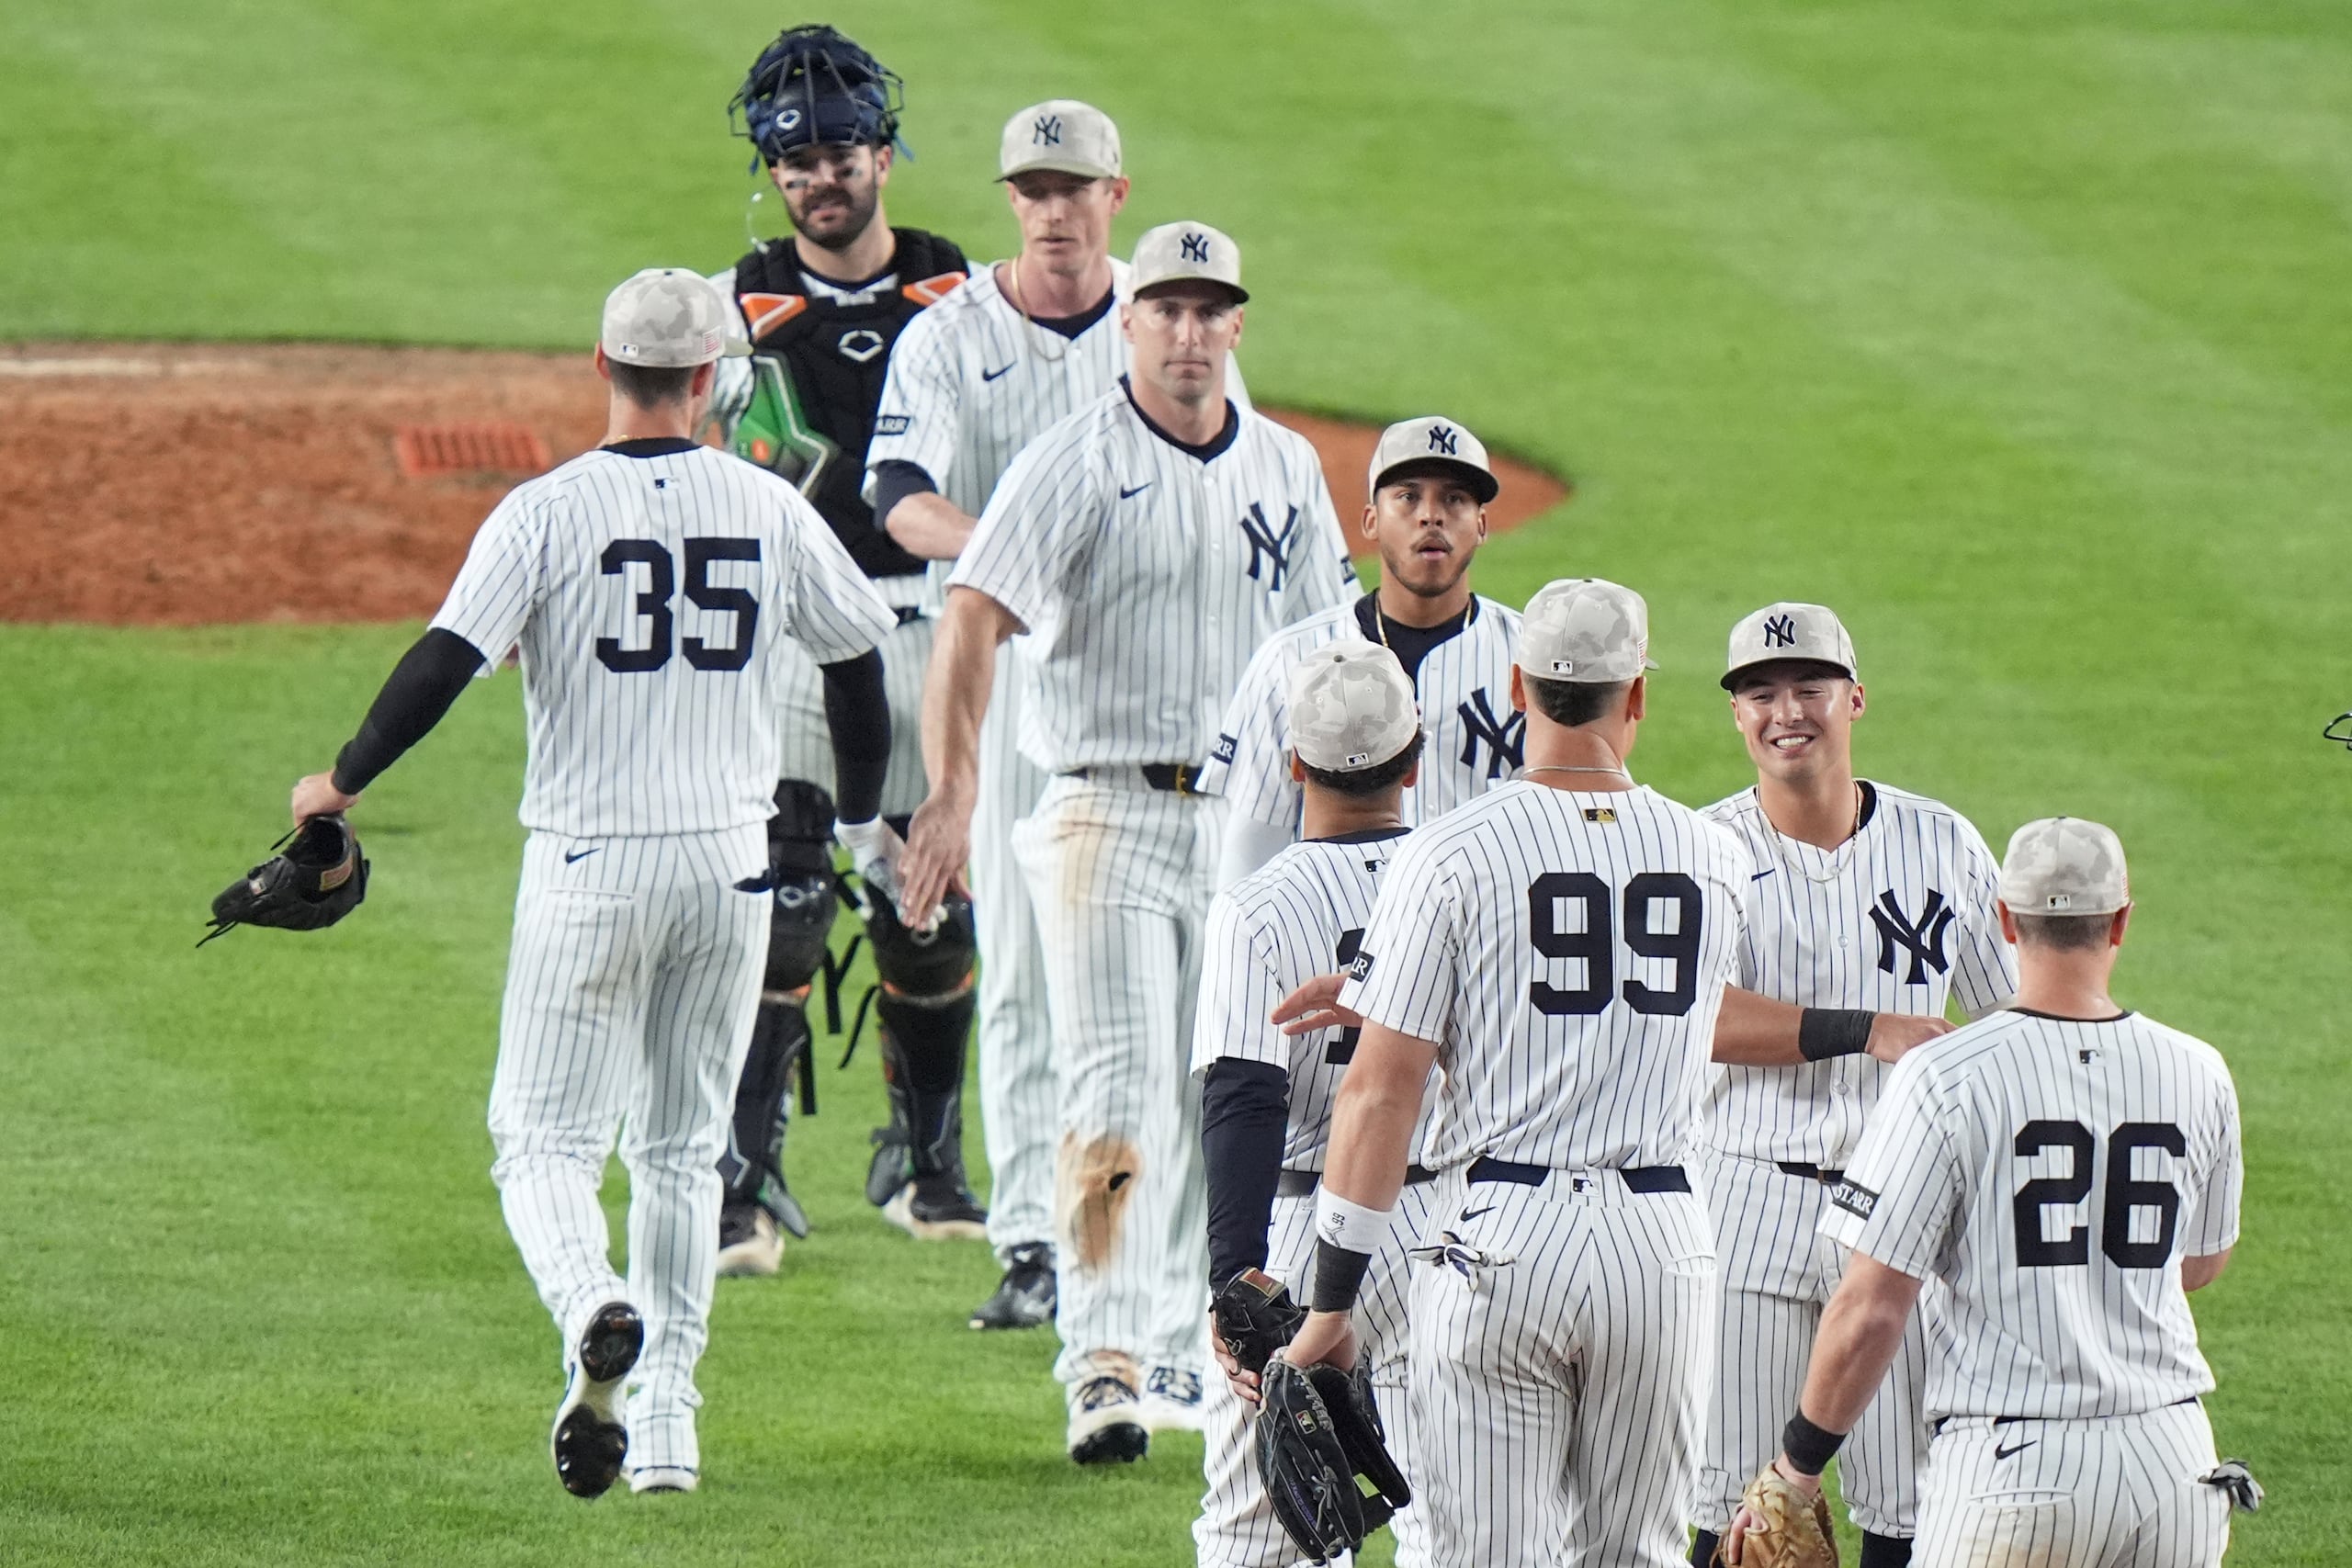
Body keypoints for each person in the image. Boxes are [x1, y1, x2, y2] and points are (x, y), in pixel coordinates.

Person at [285, 270, 899, 1497]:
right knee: (680, 1149)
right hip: (730, 866)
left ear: (603, 367)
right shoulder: (769, 505)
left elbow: (444, 661)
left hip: (590, 860)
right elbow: (859, 661)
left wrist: (340, 781)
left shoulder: (546, 509)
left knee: (543, 1142)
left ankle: (590, 1302)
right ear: (711, 379)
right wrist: (858, 815)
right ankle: (667, 1423)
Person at [897, 221, 1355, 1460]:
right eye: (1167, 310)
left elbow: (1335, 653)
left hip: (1251, 833)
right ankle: (1098, 1356)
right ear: (1132, 322)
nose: (1190, 333)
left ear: (1237, 324)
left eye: (1211, 311)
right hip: (1103, 812)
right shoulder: (1075, 459)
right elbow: (971, 616)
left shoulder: (1286, 465)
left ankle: (1179, 1345)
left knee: (1231, 1090)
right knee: (1115, 1086)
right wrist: (952, 789)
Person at [1283, 578, 1747, 1566]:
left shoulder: (1450, 851)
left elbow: (1380, 1089)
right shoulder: (1716, 855)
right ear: (1637, 695)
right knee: (1639, 1555)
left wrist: (1332, 1301)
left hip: (1502, 1239)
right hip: (1662, 1244)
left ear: (1514, 687)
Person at [1724, 818, 2251, 1568]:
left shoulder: (1946, 1073)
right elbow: (2199, 1262)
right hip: (2174, 1462)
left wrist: (1797, 1465)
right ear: (2121, 921)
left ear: (2005, 919)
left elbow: (1872, 1305)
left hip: (2013, 1468)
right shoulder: (2197, 1069)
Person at [699, 23, 981, 1274]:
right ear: (772, 172)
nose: (820, 178)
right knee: (786, 897)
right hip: (794, 637)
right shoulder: (733, 301)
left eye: (841, 154)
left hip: (938, 621)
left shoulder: (961, 291)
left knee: (931, 904)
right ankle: (742, 1180)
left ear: (884, 154)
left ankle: (929, 1165)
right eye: (796, 161)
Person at [863, 98, 1144, 1331]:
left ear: (1113, 196)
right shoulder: (950, 336)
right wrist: (1017, 549)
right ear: (1011, 200)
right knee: (1027, 965)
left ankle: (1135, 1240)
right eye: (1032, 190)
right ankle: (1035, 1238)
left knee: (1144, 985)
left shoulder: (1160, 321)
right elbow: (895, 496)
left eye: (1073, 188)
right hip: (1004, 669)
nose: (1052, 210)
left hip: (1140, 685)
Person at [1687, 604, 2018, 1567]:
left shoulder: (1941, 842)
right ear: (1736, 714)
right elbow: (1690, 1018)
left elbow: (2007, 1018)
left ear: (1854, 699)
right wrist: (1866, 1029)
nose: (1785, 711)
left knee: (1907, 1508)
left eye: (1809, 688)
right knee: (1730, 1506)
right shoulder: (1702, 851)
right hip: (1746, 1202)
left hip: (1902, 1215)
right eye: (1760, 693)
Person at [1192, 641, 1435, 1565]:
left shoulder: (1257, 905)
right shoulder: (1463, 877)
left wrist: (1235, 1283)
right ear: (1414, 759)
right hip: (1456, 1226)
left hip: (1301, 1230)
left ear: (1294, 764)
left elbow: (1243, 1100)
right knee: (1459, 1522)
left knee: (1259, 1530)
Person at [1196, 415, 1522, 890]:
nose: (1431, 516)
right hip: (1335, 935)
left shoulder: (1529, 657)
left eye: (1455, 499)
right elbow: (1252, 850)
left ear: (1482, 524)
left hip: (1486, 932)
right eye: (1408, 496)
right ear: (1371, 520)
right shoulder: (1290, 661)